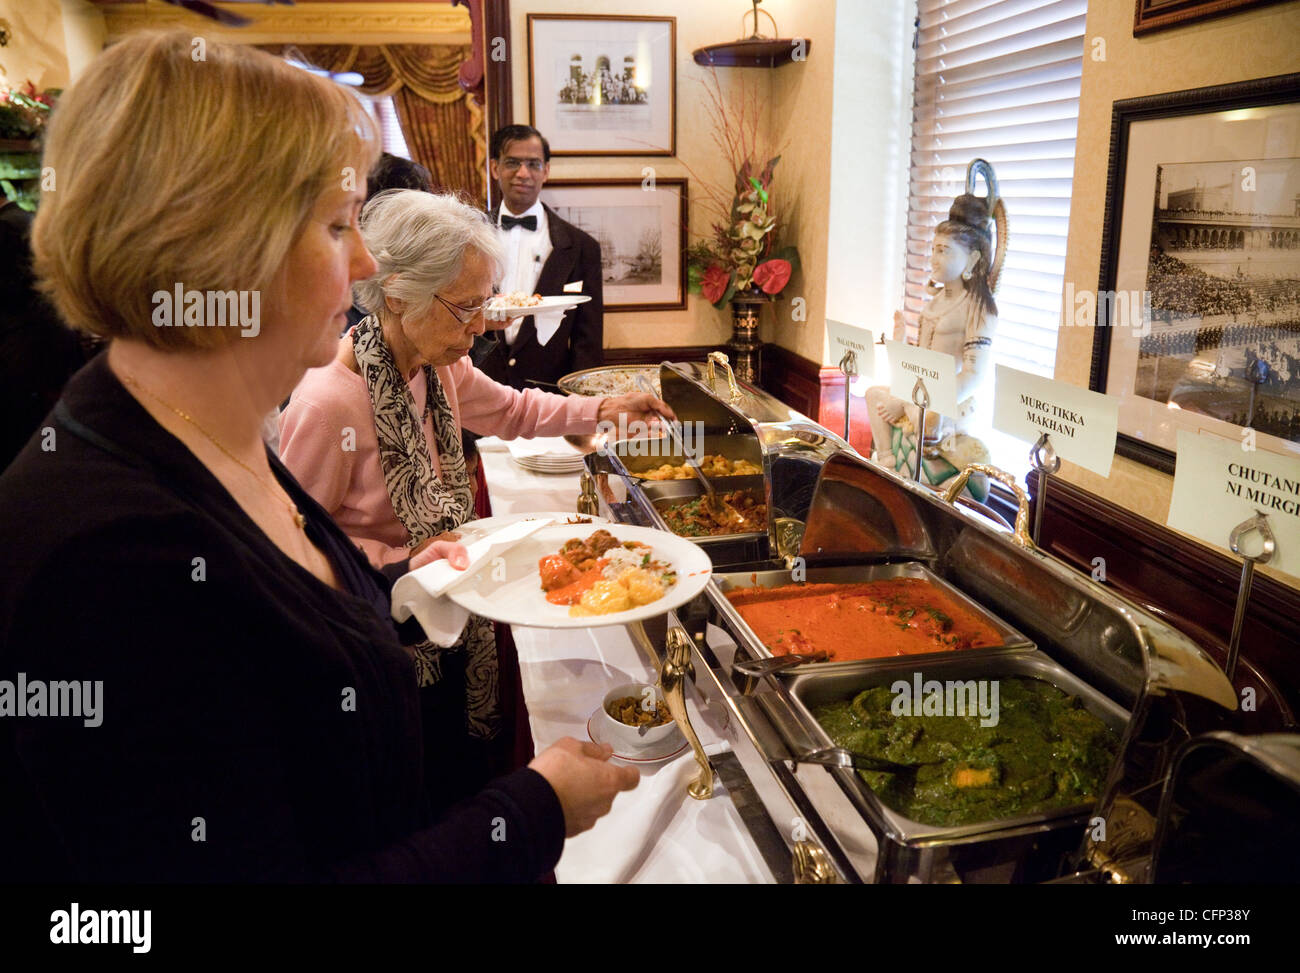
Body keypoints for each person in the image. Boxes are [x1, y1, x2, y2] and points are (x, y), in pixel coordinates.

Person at [0, 30, 636, 884]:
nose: (369, 263)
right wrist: (529, 811)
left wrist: (399, 591)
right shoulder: (103, 557)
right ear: (223, 248)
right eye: (339, 225)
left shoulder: (210, 438)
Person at [277, 188, 670, 809]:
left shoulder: (436, 365)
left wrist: (604, 407)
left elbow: (513, 410)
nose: (485, 324)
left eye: (486, 302)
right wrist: (398, 559)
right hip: (391, 637)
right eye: (467, 307)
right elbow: (292, 548)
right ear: (398, 293)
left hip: (454, 610)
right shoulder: (327, 404)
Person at [865, 166, 1004, 501]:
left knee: (923, 418)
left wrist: (922, 401)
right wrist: (899, 346)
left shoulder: (978, 308)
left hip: (948, 403)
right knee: (872, 395)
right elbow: (918, 360)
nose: (934, 258)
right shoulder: (936, 302)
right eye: (934, 249)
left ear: (972, 257)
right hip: (919, 392)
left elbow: (973, 373)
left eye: (945, 251)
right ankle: (885, 459)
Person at [472, 124, 604, 390]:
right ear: (495, 168)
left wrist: (581, 403)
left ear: (546, 171)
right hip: (476, 389)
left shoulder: (582, 247)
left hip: (548, 394)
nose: (523, 173)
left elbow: (587, 341)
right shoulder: (468, 238)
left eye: (533, 164)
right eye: (513, 163)